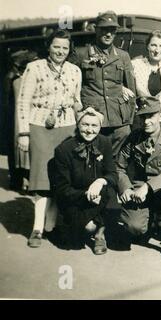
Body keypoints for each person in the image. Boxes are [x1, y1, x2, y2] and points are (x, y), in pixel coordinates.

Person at [16, 29, 82, 248]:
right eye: (56, 47)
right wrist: (24, 133)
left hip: (67, 127)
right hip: (40, 126)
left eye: (64, 48)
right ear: (48, 47)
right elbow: (23, 102)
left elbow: (77, 100)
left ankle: (50, 227)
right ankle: (36, 229)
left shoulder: (75, 71)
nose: (60, 51)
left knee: (60, 178)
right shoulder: (34, 68)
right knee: (42, 180)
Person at [116, 97, 161, 260]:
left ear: (160, 116)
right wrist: (125, 187)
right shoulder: (133, 138)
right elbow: (119, 166)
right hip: (138, 189)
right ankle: (151, 222)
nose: (146, 121)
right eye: (142, 117)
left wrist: (148, 186)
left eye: (151, 116)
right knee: (134, 228)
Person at [69, 10, 136, 157]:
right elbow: (70, 84)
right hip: (92, 113)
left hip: (117, 116)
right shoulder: (81, 54)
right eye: (104, 30)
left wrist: (128, 119)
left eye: (112, 30)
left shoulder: (123, 56)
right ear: (96, 29)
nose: (108, 34)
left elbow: (132, 91)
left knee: (124, 133)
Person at [54, 108, 117, 254]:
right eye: (85, 125)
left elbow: (112, 174)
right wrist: (85, 195)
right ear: (78, 125)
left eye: (94, 126)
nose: (89, 130)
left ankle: (100, 235)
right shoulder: (64, 150)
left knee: (112, 197)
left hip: (100, 193)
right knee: (86, 228)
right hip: (77, 199)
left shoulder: (105, 142)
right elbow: (62, 189)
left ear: (100, 127)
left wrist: (100, 181)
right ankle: (89, 227)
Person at [1, 49, 37, 191]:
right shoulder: (17, 80)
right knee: (20, 152)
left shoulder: (11, 78)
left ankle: (17, 181)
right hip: (16, 120)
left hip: (12, 120)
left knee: (15, 152)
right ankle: (21, 180)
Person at [132, 30, 161, 128]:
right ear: (147, 46)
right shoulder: (135, 64)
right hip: (141, 116)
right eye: (153, 45)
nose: (157, 50)